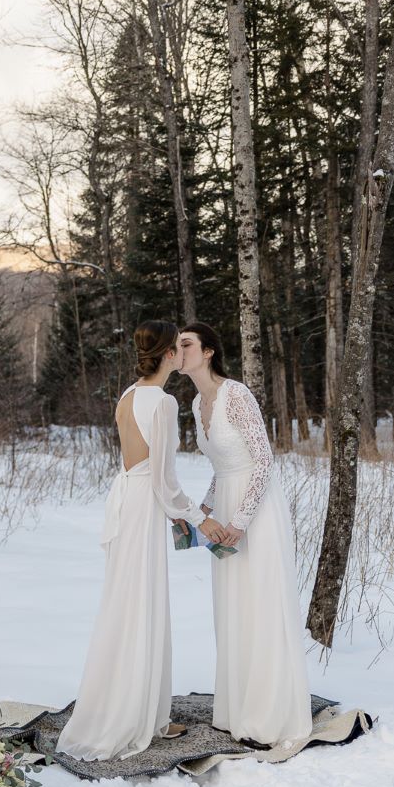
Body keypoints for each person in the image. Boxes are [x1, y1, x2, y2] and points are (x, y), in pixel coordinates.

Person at [57, 320, 226, 761]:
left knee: (128, 605)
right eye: (179, 348)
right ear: (170, 354)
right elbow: (165, 483)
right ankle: (137, 717)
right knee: (144, 607)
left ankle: (149, 712)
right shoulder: (164, 403)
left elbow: (143, 469)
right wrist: (198, 519)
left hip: (126, 501)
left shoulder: (129, 395)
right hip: (145, 506)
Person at [179, 322, 312, 747]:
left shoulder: (235, 394)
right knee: (232, 605)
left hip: (257, 510)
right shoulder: (197, 401)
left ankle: (268, 713)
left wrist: (240, 521)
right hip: (225, 502)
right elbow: (223, 468)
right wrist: (200, 510)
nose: (178, 351)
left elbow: (262, 460)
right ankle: (237, 708)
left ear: (208, 352)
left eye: (186, 345)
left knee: (259, 603)